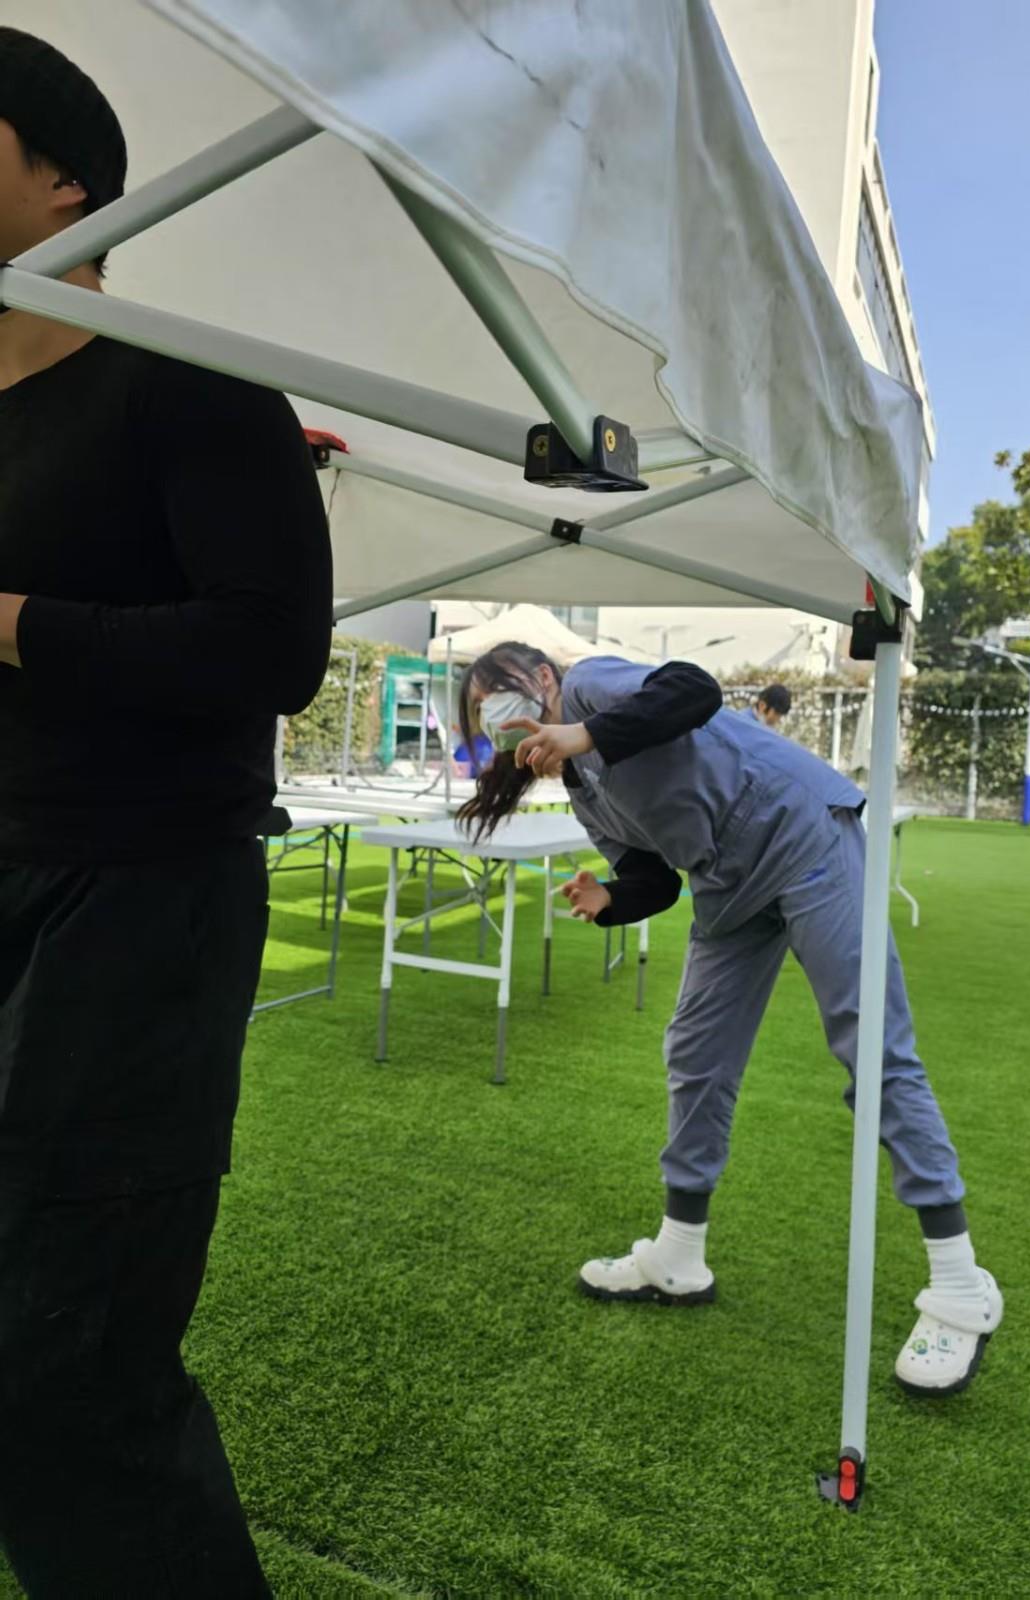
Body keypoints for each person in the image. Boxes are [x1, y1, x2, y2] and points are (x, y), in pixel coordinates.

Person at [0, 30, 332, 1595]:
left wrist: (14, 624)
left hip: (137, 907)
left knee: (65, 1360)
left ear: (66, 181)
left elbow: (271, 652)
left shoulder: (191, 388)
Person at [458, 643, 1003, 1397]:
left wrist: (583, 733)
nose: (493, 715)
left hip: (803, 834)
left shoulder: (587, 688)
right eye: (480, 711)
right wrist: (611, 898)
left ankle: (960, 1284)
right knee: (695, 1054)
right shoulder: (583, 791)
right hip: (728, 885)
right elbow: (652, 875)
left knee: (871, 1045)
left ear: (542, 678)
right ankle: (678, 1255)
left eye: (495, 694)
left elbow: (693, 689)